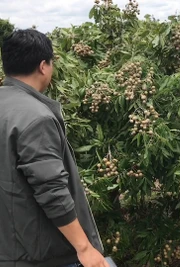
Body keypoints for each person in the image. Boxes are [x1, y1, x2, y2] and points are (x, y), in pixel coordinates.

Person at [0, 29, 109, 267]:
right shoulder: (36, 117)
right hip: (38, 254)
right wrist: (84, 247)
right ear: (43, 66)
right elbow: (51, 190)